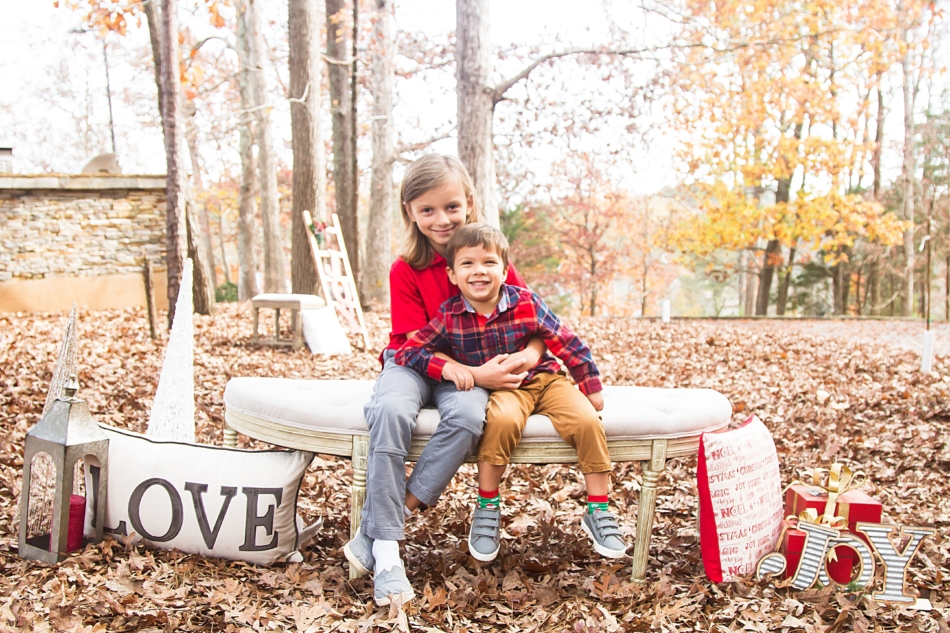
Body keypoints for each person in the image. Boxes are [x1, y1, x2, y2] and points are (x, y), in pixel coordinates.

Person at [343, 155, 546, 606]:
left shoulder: (489, 258)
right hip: (411, 364)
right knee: (390, 410)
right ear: (410, 212)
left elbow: (537, 322)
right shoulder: (405, 268)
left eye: (451, 206)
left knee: (469, 418)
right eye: (427, 210)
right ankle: (389, 554)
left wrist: (526, 356)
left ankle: (379, 528)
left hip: (466, 376)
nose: (441, 219)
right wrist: (473, 373)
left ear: (469, 202)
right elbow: (409, 343)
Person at [395, 223, 627, 565]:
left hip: (546, 380)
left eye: (489, 262)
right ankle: (487, 505)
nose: (479, 271)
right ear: (453, 275)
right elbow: (409, 351)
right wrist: (447, 368)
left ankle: (598, 509)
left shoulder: (526, 303)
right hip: (505, 388)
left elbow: (567, 341)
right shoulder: (450, 316)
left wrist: (590, 386)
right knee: (500, 422)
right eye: (468, 264)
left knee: (587, 421)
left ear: (505, 271)